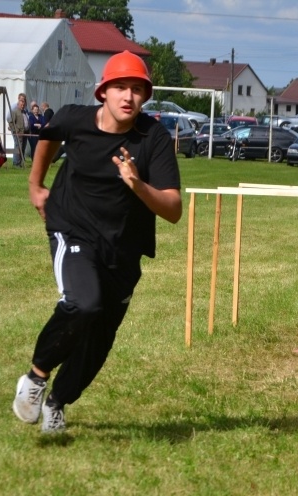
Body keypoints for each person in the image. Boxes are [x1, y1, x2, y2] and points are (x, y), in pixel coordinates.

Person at [13, 50, 183, 433]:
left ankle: (57, 402)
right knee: (82, 304)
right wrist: (35, 184)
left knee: (100, 337)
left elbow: (173, 209)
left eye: (137, 89)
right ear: (103, 92)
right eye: (120, 87)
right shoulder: (74, 118)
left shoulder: (152, 137)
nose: (129, 97)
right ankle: (36, 378)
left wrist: (138, 185)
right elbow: (49, 137)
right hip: (72, 228)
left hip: (123, 250)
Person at [8, 93, 29, 167]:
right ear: (18, 101)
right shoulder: (15, 111)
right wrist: (15, 130)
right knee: (18, 147)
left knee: (23, 147)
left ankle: (20, 162)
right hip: (18, 132)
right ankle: (16, 163)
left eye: (24, 102)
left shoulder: (25, 111)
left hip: (25, 132)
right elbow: (10, 122)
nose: (23, 103)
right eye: (21, 101)